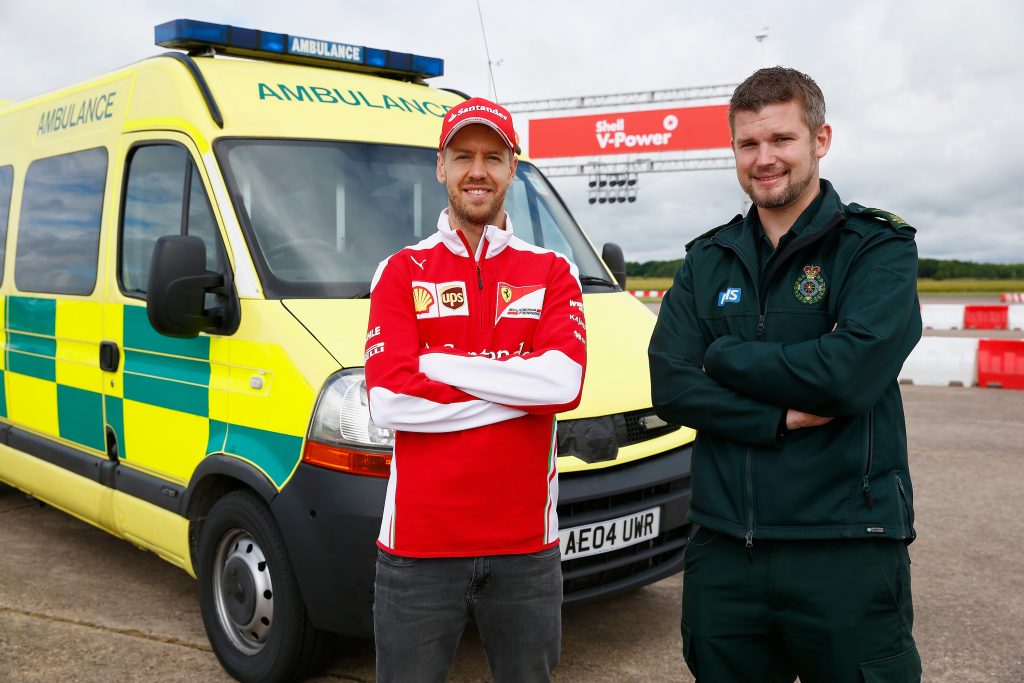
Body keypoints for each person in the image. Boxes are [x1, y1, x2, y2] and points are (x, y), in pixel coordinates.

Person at [648, 67, 923, 682]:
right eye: (749, 144)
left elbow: (848, 375)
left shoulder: (875, 248)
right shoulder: (707, 259)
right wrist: (775, 416)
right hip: (725, 549)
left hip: (847, 544)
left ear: (820, 140)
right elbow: (670, 384)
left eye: (782, 140)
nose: (764, 159)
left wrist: (722, 357)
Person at [363, 97, 587, 683]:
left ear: (514, 169)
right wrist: (518, 389)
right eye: (463, 156)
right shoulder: (401, 270)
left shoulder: (553, 272)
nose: (478, 170)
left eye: (494, 157)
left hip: (526, 549)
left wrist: (439, 363)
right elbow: (389, 401)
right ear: (441, 167)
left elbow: (563, 383)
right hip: (416, 550)